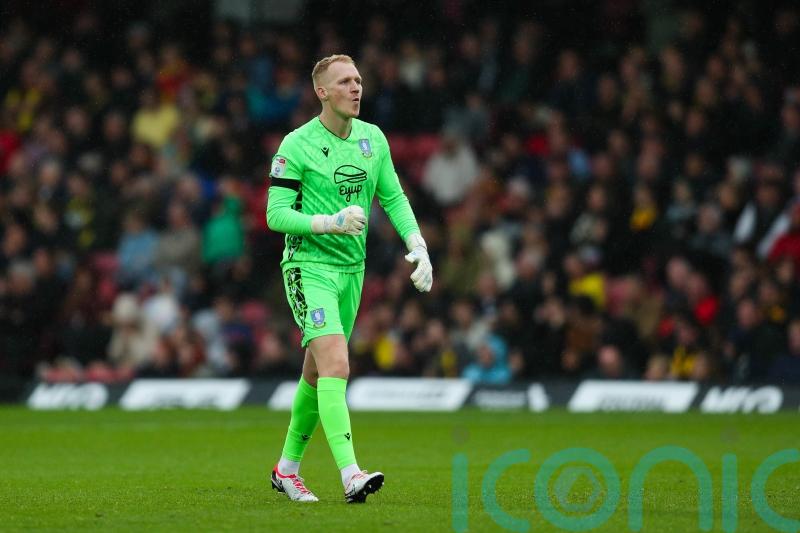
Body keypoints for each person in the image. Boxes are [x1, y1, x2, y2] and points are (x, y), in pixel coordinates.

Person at [265, 54, 433, 503]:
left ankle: (286, 470)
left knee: (318, 375)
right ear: (322, 92)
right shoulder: (296, 145)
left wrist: (418, 244)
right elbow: (275, 214)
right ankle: (350, 475)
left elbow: (393, 197)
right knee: (337, 364)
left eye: (358, 80)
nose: (356, 88)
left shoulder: (373, 139)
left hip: (351, 271)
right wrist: (329, 222)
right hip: (308, 267)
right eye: (344, 82)